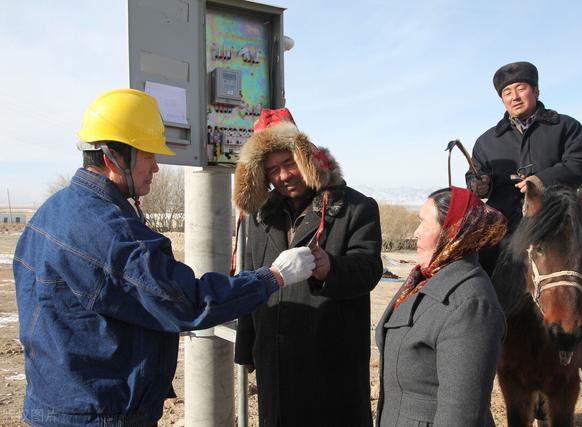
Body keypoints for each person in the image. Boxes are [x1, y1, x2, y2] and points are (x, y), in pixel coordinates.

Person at [12, 89, 315, 426]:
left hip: (59, 402)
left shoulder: (52, 212)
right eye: (148, 155)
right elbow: (185, 301)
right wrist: (272, 277)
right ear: (115, 157)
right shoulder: (106, 231)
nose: (156, 166)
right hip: (98, 414)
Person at [466, 61, 582, 375]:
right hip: (508, 228)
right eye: (506, 92)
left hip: (559, 228)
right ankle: (474, 343)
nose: (514, 96)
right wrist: (479, 185)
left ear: (536, 90)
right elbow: (477, 178)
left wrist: (541, 180)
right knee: (469, 273)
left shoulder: (565, 127)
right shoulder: (487, 140)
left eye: (520, 88)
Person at [233, 108, 383, 427]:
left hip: (331, 363)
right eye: (272, 170)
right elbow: (250, 279)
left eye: (289, 164)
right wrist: (248, 348)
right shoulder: (261, 217)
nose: (283, 176)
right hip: (274, 363)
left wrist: (332, 268)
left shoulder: (355, 208)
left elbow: (370, 268)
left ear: (307, 158)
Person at [376, 187, 507, 427]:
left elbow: (461, 415)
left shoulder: (471, 306)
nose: (415, 233)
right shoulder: (425, 279)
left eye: (425, 225)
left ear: (453, 232)